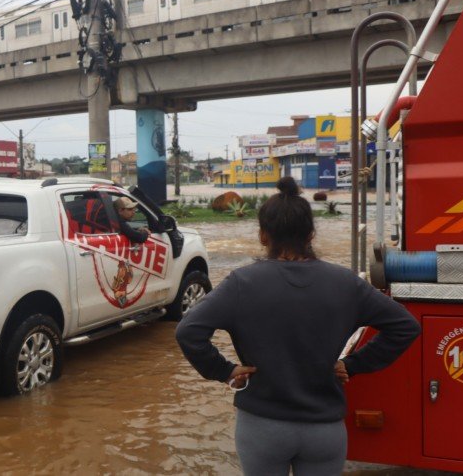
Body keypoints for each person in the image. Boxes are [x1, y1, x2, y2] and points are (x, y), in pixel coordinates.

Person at [175, 177, 420, 476]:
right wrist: (353, 364)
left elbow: (188, 331)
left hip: (262, 427)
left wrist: (224, 371)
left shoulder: (242, 283)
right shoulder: (345, 283)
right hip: (324, 429)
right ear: (311, 233)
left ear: (264, 235)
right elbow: (405, 326)